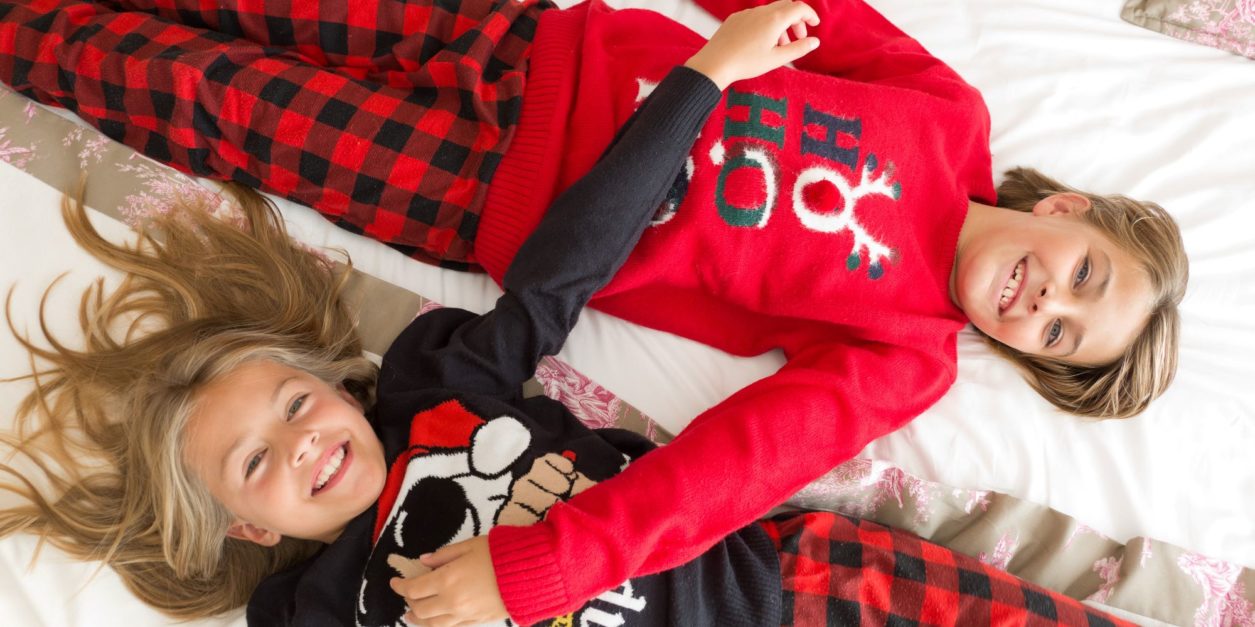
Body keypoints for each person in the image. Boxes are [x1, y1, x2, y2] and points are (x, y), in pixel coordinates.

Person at [0, 0, 1187, 623]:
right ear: (1067, 210)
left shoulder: (908, 355)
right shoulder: (948, 114)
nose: (1045, 302)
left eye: (1056, 339)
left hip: (477, 195)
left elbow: (724, 473)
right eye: (1082, 276)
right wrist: (731, 47)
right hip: (528, 41)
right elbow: (802, 13)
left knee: (203, 92)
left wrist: (548, 570)